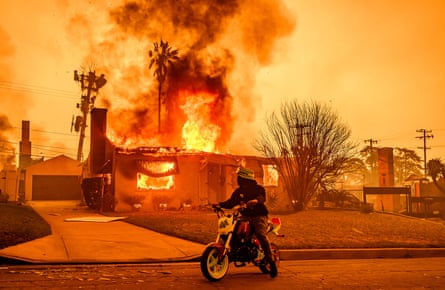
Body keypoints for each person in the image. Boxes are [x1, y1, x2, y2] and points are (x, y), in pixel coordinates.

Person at [216, 167, 278, 278]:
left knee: (261, 235)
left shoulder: (258, 188)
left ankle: (272, 262)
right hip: (245, 216)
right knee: (234, 231)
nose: (238, 179)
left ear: (245, 178)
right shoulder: (238, 191)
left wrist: (255, 201)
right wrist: (219, 204)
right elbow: (231, 203)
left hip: (259, 217)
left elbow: (262, 198)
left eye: (239, 177)